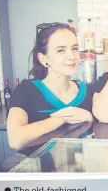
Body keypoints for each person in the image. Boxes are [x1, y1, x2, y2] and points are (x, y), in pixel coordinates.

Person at [7, 22, 94, 151]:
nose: (71, 56)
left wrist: (88, 116)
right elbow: (15, 140)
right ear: (43, 59)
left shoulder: (87, 90)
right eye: (61, 50)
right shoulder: (26, 90)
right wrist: (63, 118)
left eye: (74, 48)